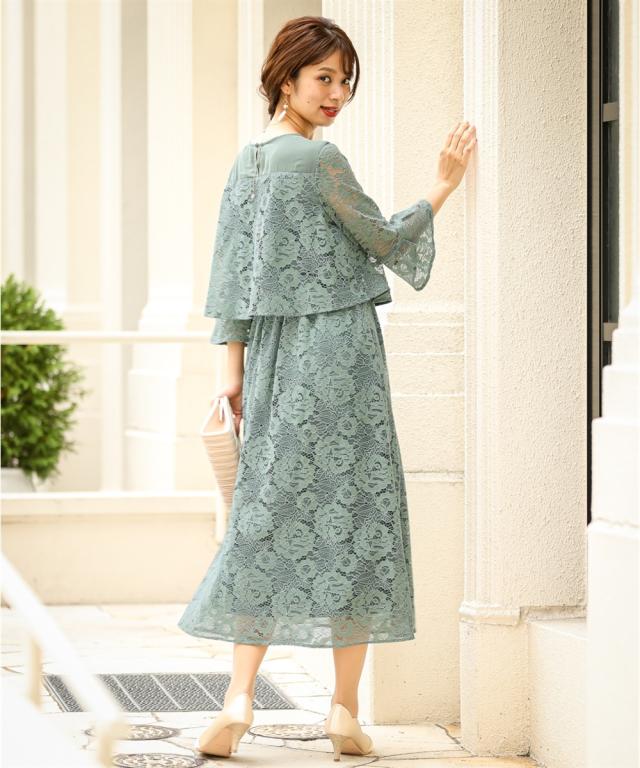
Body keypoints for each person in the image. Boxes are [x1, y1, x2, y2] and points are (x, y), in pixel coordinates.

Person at [178, 14, 476, 761]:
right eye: (324, 77)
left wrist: (231, 374)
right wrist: (443, 185)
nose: (337, 93)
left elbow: (229, 280)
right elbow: (383, 238)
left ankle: (239, 696)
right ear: (286, 79)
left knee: (264, 517)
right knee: (358, 515)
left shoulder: (246, 164)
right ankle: (343, 710)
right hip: (342, 354)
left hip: (273, 361)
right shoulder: (320, 159)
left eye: (344, 80)